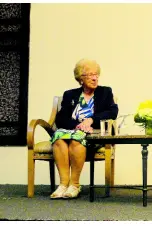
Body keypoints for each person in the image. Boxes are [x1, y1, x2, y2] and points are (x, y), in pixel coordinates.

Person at [49, 59, 118, 199]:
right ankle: (63, 184)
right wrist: (77, 125)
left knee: (76, 140)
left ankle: (74, 184)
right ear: (81, 78)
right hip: (72, 130)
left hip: (93, 133)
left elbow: (112, 111)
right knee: (58, 139)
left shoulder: (105, 92)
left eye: (96, 75)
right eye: (90, 75)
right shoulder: (70, 95)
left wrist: (91, 120)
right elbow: (60, 118)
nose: (94, 78)